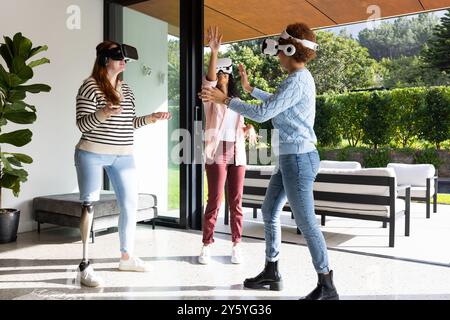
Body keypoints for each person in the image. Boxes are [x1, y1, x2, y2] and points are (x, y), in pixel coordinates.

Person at [200, 23, 339, 300]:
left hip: (299, 159)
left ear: (290, 49)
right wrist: (251, 89)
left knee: (307, 222)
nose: (276, 55)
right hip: (290, 158)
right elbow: (276, 101)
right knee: (269, 210)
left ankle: (327, 284)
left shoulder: (297, 79)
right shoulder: (296, 79)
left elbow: (264, 113)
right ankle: (272, 270)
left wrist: (227, 100)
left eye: (279, 50)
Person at [75, 41, 171, 287]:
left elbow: (129, 124)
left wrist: (151, 118)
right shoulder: (89, 86)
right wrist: (103, 113)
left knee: (130, 203)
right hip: (92, 152)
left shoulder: (126, 89)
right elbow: (82, 125)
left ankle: (126, 257)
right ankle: (85, 265)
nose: (124, 62)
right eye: (119, 57)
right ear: (106, 59)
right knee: (89, 205)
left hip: (123, 154)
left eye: (125, 59)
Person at [199, 26, 258, 265]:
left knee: (236, 201)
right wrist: (214, 52)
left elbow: (238, 127)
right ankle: (206, 245)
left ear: (230, 76)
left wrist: (249, 129)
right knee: (215, 200)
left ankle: (236, 245)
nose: (221, 75)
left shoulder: (236, 102)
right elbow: (209, 80)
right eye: (219, 71)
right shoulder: (209, 98)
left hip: (237, 152)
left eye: (225, 72)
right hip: (217, 152)